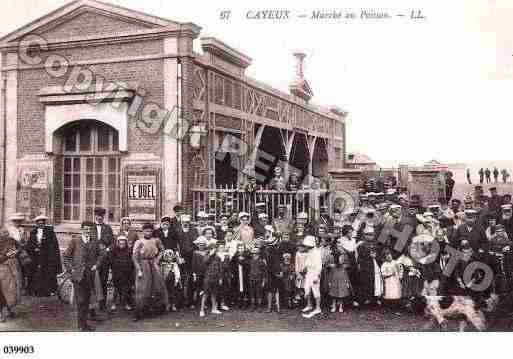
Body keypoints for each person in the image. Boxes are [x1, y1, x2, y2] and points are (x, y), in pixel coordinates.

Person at [62, 221, 102, 331]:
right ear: (82, 229)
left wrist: (96, 265)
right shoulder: (75, 241)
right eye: (85, 229)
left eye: (89, 229)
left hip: (90, 276)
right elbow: (65, 257)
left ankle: (84, 324)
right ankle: (81, 325)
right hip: (78, 276)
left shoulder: (94, 242)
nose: (87, 231)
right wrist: (71, 269)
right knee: (80, 301)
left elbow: (100, 256)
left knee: (87, 300)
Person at [132, 222, 170, 321]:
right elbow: (135, 257)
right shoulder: (139, 242)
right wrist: (139, 269)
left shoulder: (156, 240)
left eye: (150, 231)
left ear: (152, 231)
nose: (148, 232)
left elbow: (162, 250)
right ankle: (139, 311)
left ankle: (153, 309)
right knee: (143, 287)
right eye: (146, 231)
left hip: (153, 264)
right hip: (143, 265)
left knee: (156, 286)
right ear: (143, 231)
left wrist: (157, 259)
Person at [25, 215, 62, 297]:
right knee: (36, 273)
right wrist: (34, 249)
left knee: (46, 273)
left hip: (47, 257)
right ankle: (36, 290)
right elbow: (29, 244)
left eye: (42, 223)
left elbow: (53, 245)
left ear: (44, 223)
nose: (40, 224)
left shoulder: (50, 232)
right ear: (36, 223)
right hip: (36, 257)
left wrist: (47, 252)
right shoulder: (33, 232)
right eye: (39, 223)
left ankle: (47, 291)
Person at [92, 208, 114, 312]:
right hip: (92, 259)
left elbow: (113, 243)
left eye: (101, 215)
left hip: (105, 259)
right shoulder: (90, 227)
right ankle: (92, 305)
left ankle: (102, 304)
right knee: (92, 281)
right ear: (95, 216)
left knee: (103, 281)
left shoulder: (108, 228)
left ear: (103, 217)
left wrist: (107, 249)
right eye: (97, 215)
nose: (99, 217)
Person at [107, 235, 134, 312]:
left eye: (123, 243)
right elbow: (111, 260)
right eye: (120, 243)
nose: (122, 244)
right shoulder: (114, 250)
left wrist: (126, 266)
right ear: (118, 243)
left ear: (125, 243)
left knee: (126, 288)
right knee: (116, 288)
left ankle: (126, 303)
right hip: (117, 272)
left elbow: (130, 261)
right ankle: (114, 303)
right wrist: (117, 264)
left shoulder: (129, 250)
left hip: (126, 273)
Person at [0, 228, 21, 323]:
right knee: (1, 292)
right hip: (2, 269)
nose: (5, 234)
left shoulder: (12, 240)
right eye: (3, 233)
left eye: (6, 232)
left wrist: (16, 252)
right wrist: (7, 255)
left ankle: (9, 310)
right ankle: (1, 313)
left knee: (11, 291)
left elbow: (20, 247)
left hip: (12, 269)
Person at [301, 235, 323, 318]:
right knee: (307, 289)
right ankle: (309, 305)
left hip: (314, 273)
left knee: (316, 290)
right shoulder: (309, 251)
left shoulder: (316, 252)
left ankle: (318, 308)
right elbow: (307, 262)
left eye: (306, 245)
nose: (305, 247)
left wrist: (316, 276)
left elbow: (319, 266)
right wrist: (304, 268)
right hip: (309, 273)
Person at [328, 248, 351, 313]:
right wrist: (329, 282)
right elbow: (330, 274)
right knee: (333, 294)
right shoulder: (333, 267)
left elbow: (346, 274)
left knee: (341, 294)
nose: (341, 260)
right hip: (334, 281)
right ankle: (334, 305)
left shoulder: (344, 267)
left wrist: (347, 282)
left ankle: (341, 306)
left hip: (342, 281)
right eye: (339, 258)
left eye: (342, 258)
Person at [247, 246, 267, 311]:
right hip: (251, 279)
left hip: (259, 279)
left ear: (259, 254)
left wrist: (263, 281)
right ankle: (253, 306)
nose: (255, 255)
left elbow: (264, 272)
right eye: (253, 253)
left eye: (256, 253)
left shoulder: (262, 262)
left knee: (259, 293)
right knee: (252, 293)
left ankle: (259, 306)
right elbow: (247, 270)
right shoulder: (250, 261)